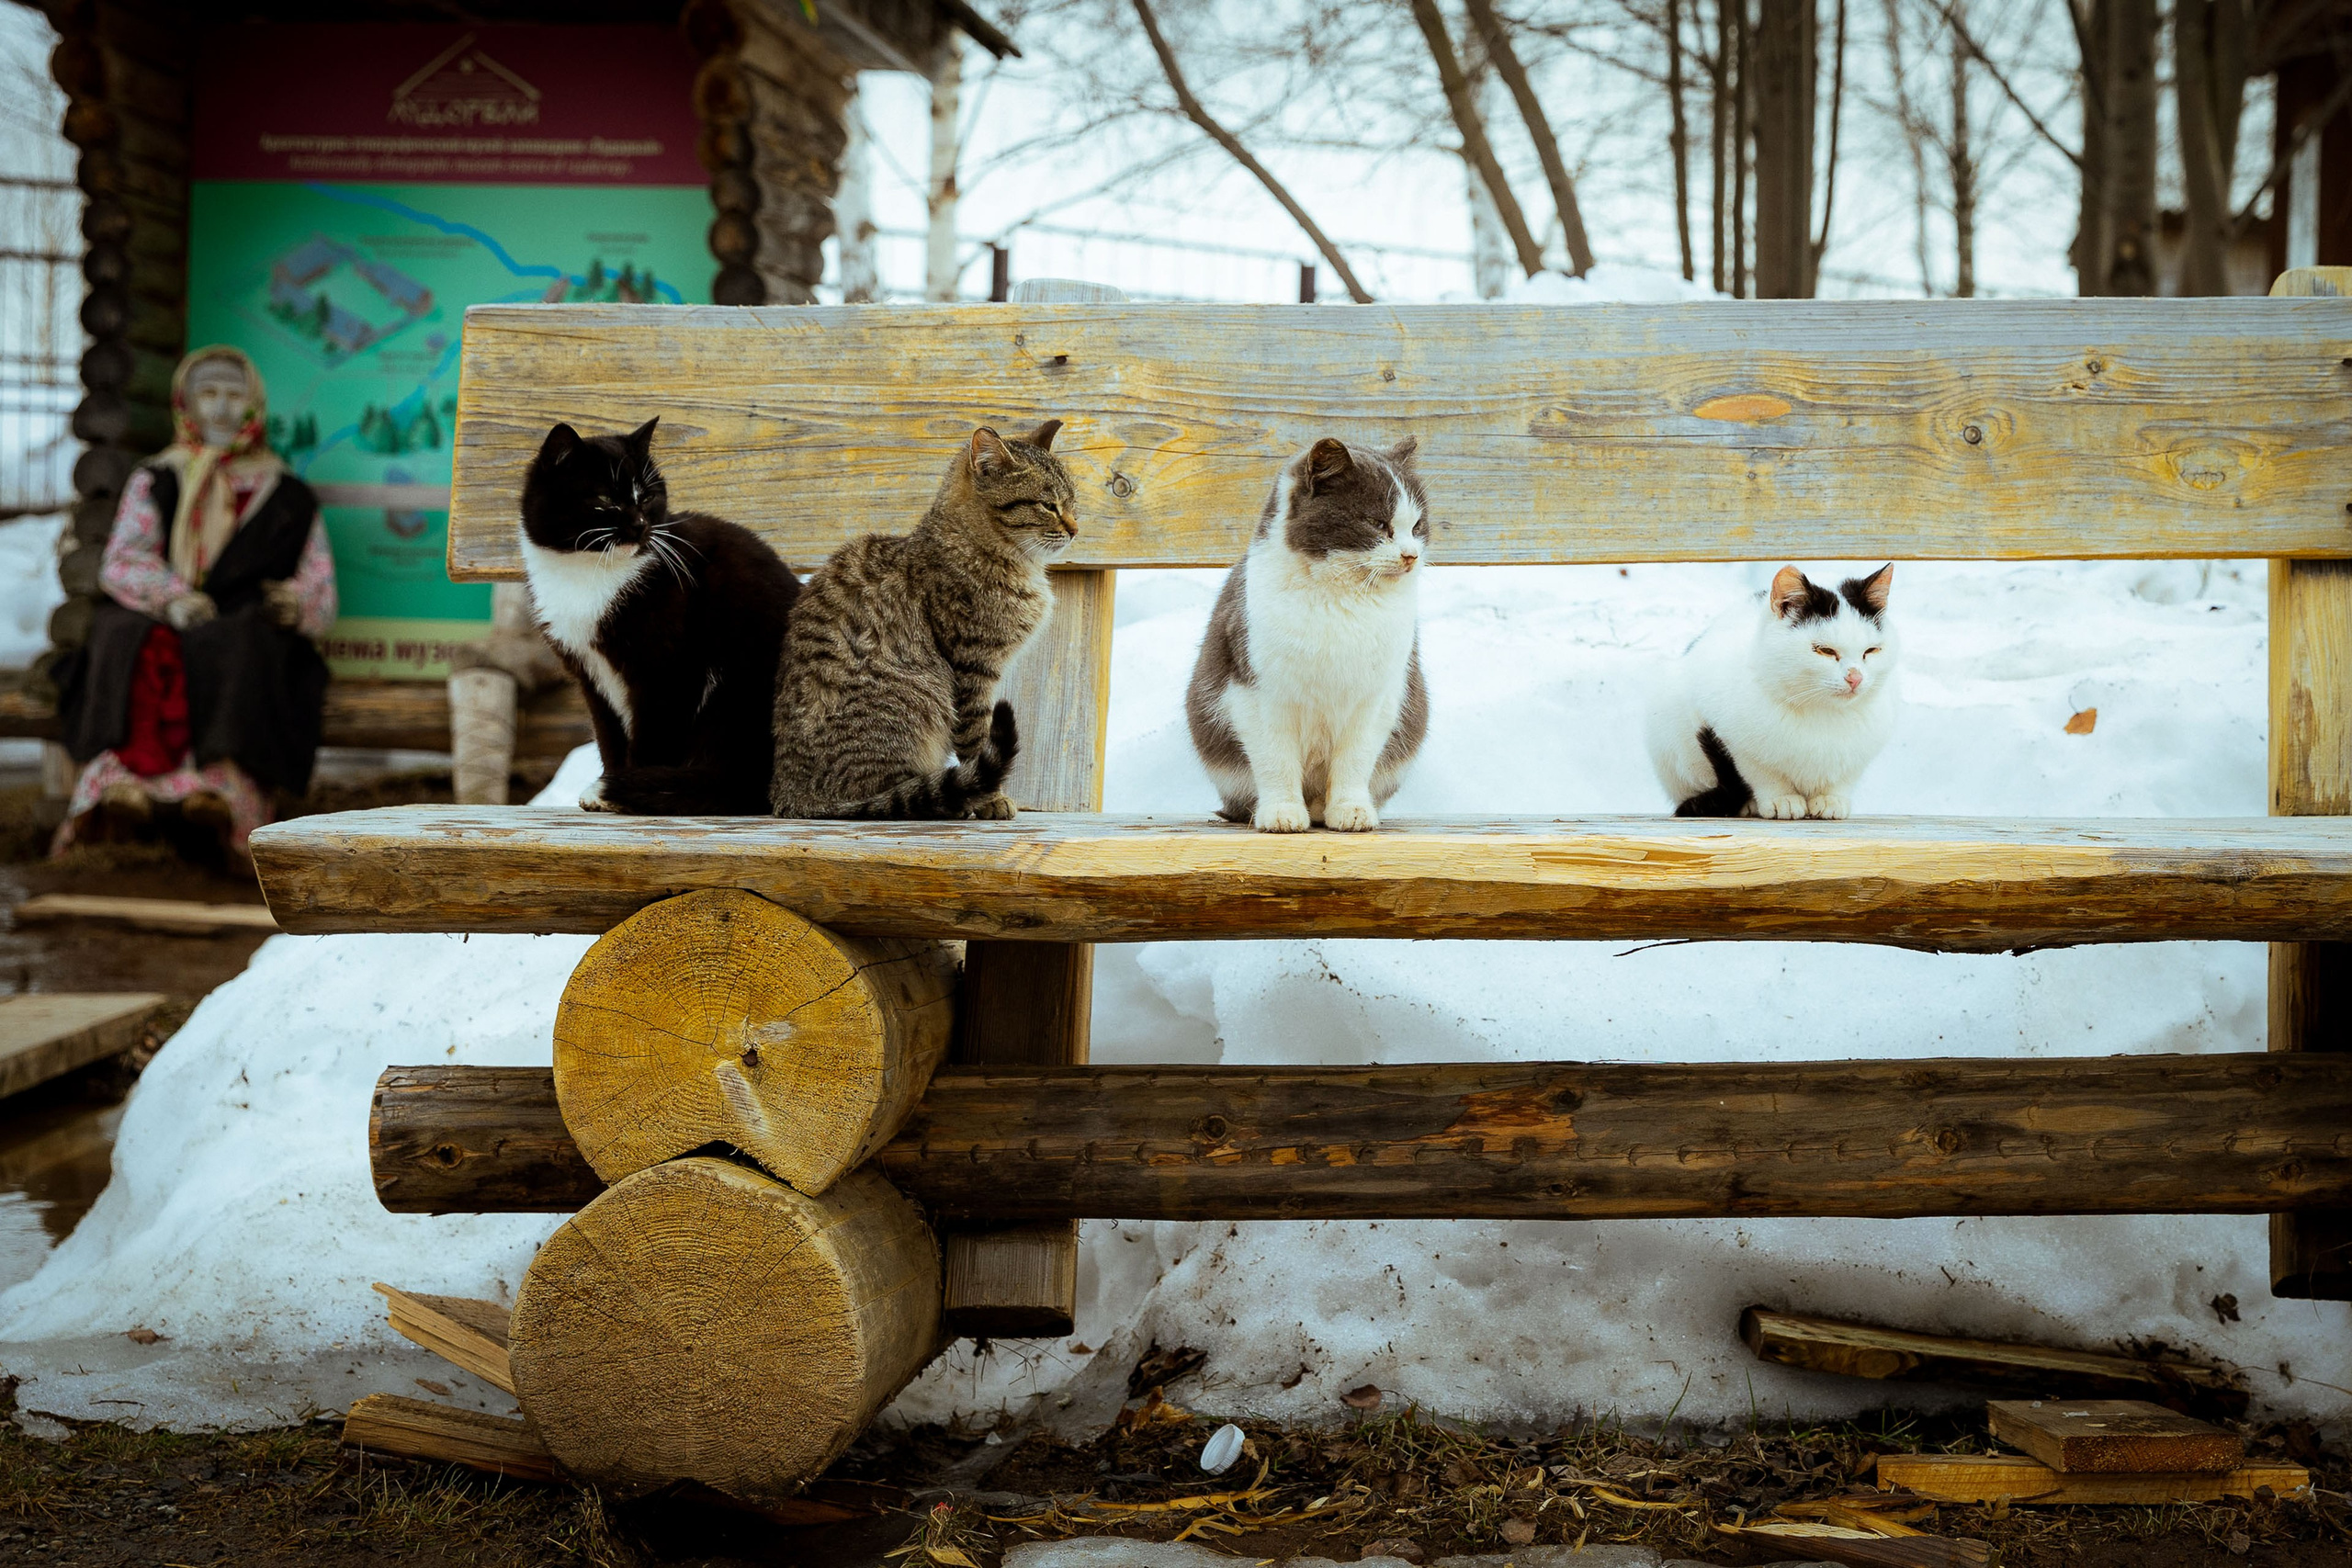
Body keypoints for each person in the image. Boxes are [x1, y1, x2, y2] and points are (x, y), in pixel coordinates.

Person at [52, 345, 336, 865]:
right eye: (208, 394)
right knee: (122, 634)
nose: (223, 409)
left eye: (235, 395)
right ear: (185, 402)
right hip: (168, 611)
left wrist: (293, 606)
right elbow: (124, 560)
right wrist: (174, 599)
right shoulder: (158, 477)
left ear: (255, 405)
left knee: (243, 642)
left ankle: (221, 798)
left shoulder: (288, 492)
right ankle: (124, 792)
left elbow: (319, 584)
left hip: (245, 624)